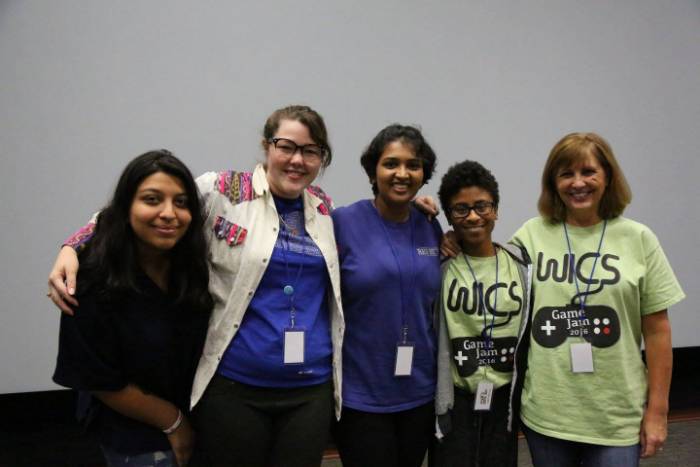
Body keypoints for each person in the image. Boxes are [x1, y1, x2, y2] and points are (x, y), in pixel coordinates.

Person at [49, 105, 345, 467]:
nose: (297, 159)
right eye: (286, 146)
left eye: (311, 151)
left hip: (309, 387)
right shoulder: (222, 190)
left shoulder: (325, 208)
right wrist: (72, 245)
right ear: (266, 145)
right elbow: (132, 209)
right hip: (237, 384)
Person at [510, 132, 685, 466]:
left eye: (588, 171)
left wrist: (658, 412)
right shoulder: (531, 235)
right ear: (553, 182)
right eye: (566, 174)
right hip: (548, 415)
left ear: (607, 177)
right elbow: (488, 270)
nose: (578, 183)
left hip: (616, 416)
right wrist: (447, 238)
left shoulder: (639, 239)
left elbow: (658, 331)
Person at [53, 150, 212, 467]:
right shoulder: (89, 279)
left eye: (181, 203)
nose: (169, 213)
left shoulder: (195, 268)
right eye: (152, 200)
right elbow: (97, 378)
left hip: (202, 421)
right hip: (135, 435)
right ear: (125, 208)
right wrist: (174, 423)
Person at [331, 124, 442, 467]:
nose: (402, 174)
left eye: (413, 165)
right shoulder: (342, 223)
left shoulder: (430, 225)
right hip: (362, 394)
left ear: (424, 174)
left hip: (420, 391)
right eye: (391, 163)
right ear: (372, 169)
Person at [432, 160, 531, 467]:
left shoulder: (521, 264)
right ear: (450, 216)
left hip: (504, 397)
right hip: (455, 400)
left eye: (481, 206)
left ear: (496, 210)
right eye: (461, 209)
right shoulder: (441, 265)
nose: (473, 216)